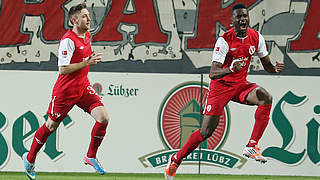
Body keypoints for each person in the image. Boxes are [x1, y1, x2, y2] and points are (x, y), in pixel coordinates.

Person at [164, 3, 285, 179]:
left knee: (266, 98)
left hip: (240, 86)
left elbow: (267, 65)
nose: (243, 19)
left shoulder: (256, 37)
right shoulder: (224, 40)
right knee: (205, 132)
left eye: (245, 16)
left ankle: (252, 145)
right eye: (239, 17)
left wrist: (274, 69)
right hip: (220, 88)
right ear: (232, 21)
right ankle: (175, 160)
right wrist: (231, 69)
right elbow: (213, 73)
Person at [22, 3, 110, 180]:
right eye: (84, 16)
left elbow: (83, 60)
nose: (89, 18)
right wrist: (87, 63)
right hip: (65, 91)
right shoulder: (68, 40)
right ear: (74, 20)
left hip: (83, 87)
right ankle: (30, 159)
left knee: (103, 118)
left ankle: (90, 156)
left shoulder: (87, 35)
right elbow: (62, 69)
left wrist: (87, 61)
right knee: (51, 126)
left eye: (88, 15)